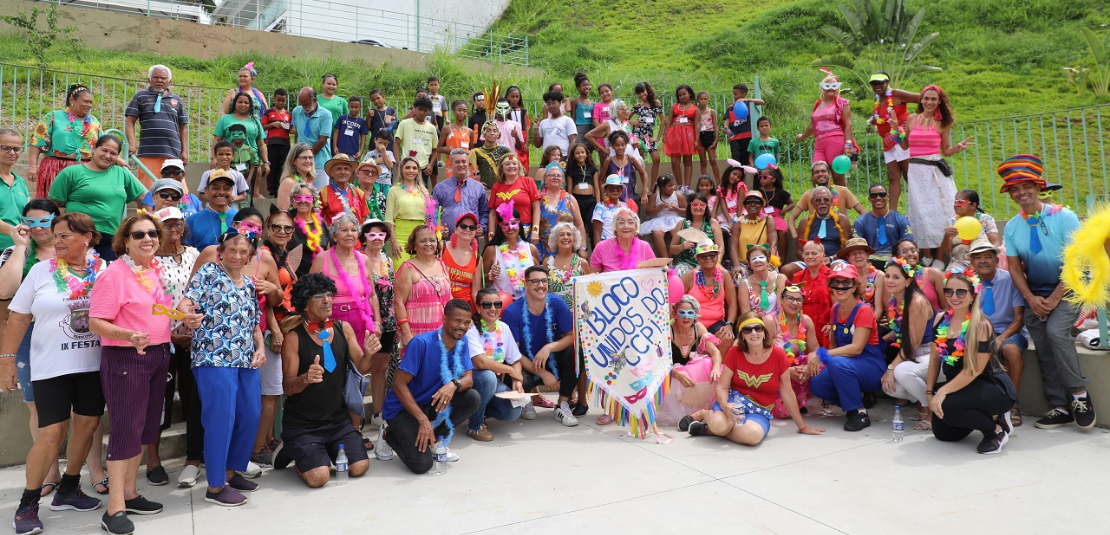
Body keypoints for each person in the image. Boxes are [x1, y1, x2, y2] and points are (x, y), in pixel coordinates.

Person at [89, 213, 197, 534]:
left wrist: (184, 318)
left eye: (152, 233)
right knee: (125, 431)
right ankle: (114, 509)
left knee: (144, 428)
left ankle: (131, 493)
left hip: (159, 354)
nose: (148, 239)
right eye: (139, 235)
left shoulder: (154, 270)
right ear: (124, 241)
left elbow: (157, 310)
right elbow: (97, 321)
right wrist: (128, 336)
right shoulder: (114, 274)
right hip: (126, 358)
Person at [3, 213, 108, 535]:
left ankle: (69, 488)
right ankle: (28, 503)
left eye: (64, 235)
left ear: (87, 237)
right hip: (51, 367)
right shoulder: (40, 271)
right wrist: (6, 359)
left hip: (93, 365)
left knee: (88, 425)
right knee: (51, 433)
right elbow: (18, 318)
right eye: (56, 235)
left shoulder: (105, 271)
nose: (56, 241)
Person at [1000, 154, 1094, 430]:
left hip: (1071, 287)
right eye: (1014, 189)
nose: (1020, 193)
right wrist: (1031, 298)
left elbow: (1077, 263)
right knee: (1041, 342)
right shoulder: (1014, 227)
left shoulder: (1065, 217)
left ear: (1038, 187)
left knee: (1056, 332)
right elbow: (1016, 269)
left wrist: (1053, 299)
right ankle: (1059, 406)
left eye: (1025, 186)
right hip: (1036, 294)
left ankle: (1079, 395)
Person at [179, 227, 265, 506]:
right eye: (232, 250)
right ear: (222, 252)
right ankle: (215, 486)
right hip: (213, 358)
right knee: (220, 419)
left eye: (243, 252)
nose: (237, 256)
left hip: (246, 358)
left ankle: (231, 470)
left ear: (250, 255)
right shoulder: (208, 273)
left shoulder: (249, 284)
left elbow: (254, 323)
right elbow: (186, 302)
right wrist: (187, 316)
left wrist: (261, 348)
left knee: (251, 414)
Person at [272, 274, 375, 486]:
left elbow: (362, 368)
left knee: (359, 467)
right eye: (319, 296)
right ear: (305, 304)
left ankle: (320, 451)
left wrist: (369, 354)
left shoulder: (343, 328)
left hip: (338, 421)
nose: (327, 300)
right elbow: (287, 388)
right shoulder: (293, 338)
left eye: (329, 294)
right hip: (304, 424)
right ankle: (293, 448)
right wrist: (305, 379)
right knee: (319, 478)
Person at [683, 311, 823, 443]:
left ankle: (709, 431)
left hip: (760, 409)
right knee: (719, 424)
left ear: (764, 332)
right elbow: (722, 386)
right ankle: (704, 414)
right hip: (733, 402)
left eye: (758, 328)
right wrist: (725, 406)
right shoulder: (735, 352)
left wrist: (802, 427)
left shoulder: (778, 355)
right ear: (742, 335)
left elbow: (787, 392)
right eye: (747, 330)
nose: (754, 333)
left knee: (752, 437)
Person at [377, 299, 479, 473]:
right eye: (457, 320)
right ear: (445, 319)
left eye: (466, 322)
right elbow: (399, 385)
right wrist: (423, 420)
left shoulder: (462, 343)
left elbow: (468, 379)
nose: (462, 326)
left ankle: (438, 439)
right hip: (404, 408)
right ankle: (389, 434)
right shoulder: (421, 343)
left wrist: (453, 384)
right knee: (422, 465)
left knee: (472, 398)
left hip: (432, 403)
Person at [926, 269, 1018, 454]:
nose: (954, 296)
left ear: (972, 295)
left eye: (961, 291)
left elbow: (973, 371)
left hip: (990, 385)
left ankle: (996, 431)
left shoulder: (980, 325)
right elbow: (935, 359)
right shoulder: (940, 319)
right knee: (943, 433)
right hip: (961, 386)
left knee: (947, 406)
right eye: (948, 291)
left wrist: (942, 391)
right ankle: (985, 416)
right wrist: (929, 392)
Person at [149, 206, 199, 486]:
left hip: (193, 340)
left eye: (177, 224)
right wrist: (170, 334)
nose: (173, 229)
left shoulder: (193, 254)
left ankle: (194, 455)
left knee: (194, 400)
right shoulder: (148, 259)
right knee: (158, 400)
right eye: (166, 225)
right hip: (161, 341)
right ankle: (153, 459)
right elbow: (148, 303)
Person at [806, 263, 886, 431]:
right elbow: (835, 344)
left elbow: (856, 348)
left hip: (870, 366)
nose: (840, 287)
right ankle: (859, 399)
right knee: (817, 384)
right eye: (836, 282)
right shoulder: (835, 309)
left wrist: (822, 354)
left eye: (845, 282)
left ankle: (860, 413)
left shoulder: (863, 310)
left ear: (854, 285)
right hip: (845, 364)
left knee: (837, 363)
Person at [900, 84, 973, 265]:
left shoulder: (943, 123)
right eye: (926, 98)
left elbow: (946, 151)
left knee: (942, 211)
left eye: (933, 99)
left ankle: (940, 256)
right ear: (921, 100)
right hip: (916, 171)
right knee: (921, 212)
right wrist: (896, 130)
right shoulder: (911, 119)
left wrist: (958, 147)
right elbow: (904, 146)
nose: (929, 102)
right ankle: (926, 255)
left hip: (935, 172)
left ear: (939, 101)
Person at [251, 210, 302, 465]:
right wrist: (276, 330)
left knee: (275, 390)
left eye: (288, 228)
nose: (283, 232)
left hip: (284, 327)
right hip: (271, 331)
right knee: (269, 392)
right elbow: (264, 301)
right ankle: (257, 447)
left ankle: (269, 438)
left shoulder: (283, 256)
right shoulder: (264, 255)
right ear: (267, 229)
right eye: (277, 227)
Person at [48, 135, 147, 262]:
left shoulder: (121, 173)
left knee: (108, 278)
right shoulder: (71, 172)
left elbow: (143, 198)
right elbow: (51, 205)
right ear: (94, 148)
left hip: (111, 240)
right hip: (77, 237)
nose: (107, 156)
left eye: (113, 153)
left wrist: (145, 222)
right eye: (104, 150)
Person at [502, 266, 580, 426]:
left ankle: (562, 404)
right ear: (526, 284)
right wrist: (543, 373)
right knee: (514, 368)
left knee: (575, 351)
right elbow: (513, 353)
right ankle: (526, 401)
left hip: (552, 361)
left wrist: (549, 348)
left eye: (544, 281)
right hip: (525, 365)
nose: (541, 285)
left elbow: (572, 336)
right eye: (535, 281)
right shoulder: (512, 312)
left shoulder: (557, 303)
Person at [968, 237, 1028, 428]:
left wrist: (1000, 339)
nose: (983, 261)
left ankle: (1013, 404)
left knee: (1011, 350)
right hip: (979, 332)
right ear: (971, 262)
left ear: (996, 259)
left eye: (987, 256)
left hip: (1008, 331)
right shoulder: (968, 282)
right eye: (977, 257)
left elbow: (1019, 318)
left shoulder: (1010, 279)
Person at [309, 213, 381, 366]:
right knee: (332, 365)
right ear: (334, 236)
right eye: (344, 230)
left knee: (360, 366)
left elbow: (372, 295)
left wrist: (377, 322)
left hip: (359, 319)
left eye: (354, 230)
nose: (350, 234)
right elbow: (309, 293)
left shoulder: (364, 259)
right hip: (331, 319)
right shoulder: (323, 258)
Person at [881, 257, 938, 428]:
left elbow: (912, 343)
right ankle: (923, 399)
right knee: (889, 387)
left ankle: (932, 410)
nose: (890, 281)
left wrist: (891, 368)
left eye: (896, 277)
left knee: (901, 372)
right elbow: (899, 331)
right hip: (913, 353)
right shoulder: (895, 300)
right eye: (887, 276)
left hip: (931, 353)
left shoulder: (916, 301)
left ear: (908, 281)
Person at [545, 221, 594, 416]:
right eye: (561, 235)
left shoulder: (582, 263)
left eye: (569, 235)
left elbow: (590, 292)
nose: (566, 238)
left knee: (580, 359)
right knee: (566, 360)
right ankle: (569, 397)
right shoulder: (547, 263)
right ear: (555, 240)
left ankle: (582, 400)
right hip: (556, 320)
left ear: (575, 239)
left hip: (579, 318)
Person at [464, 287, 525, 441]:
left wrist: (517, 380)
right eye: (487, 305)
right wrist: (511, 371)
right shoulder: (471, 329)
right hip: (470, 379)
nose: (493, 309)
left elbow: (516, 359)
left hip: (490, 382)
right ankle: (475, 426)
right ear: (478, 307)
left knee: (513, 411)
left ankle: (479, 410)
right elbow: (480, 362)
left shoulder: (503, 328)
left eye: (497, 304)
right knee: (488, 376)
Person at [28, 84, 102, 199]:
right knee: (53, 205)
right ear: (72, 100)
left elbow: (102, 145)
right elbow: (37, 141)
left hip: (85, 169)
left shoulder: (93, 121)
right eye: (86, 102)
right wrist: (32, 166)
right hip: (55, 167)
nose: (89, 105)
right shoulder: (54, 116)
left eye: (91, 102)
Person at [658, 296, 722, 427]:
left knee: (707, 363)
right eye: (682, 313)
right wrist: (676, 374)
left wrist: (716, 367)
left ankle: (702, 409)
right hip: (671, 373)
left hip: (691, 370)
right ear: (675, 314)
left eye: (690, 313)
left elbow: (715, 352)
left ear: (695, 315)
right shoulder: (667, 330)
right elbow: (657, 361)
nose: (686, 317)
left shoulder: (698, 328)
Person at [125, 65, 189, 186]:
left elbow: (183, 127)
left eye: (163, 78)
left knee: (176, 189)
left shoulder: (177, 100)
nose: (159, 80)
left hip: (172, 154)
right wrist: (132, 144)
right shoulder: (140, 96)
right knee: (148, 190)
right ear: (149, 80)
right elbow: (130, 121)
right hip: (148, 152)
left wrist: (184, 151)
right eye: (155, 77)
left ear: (169, 81)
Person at [866, 72, 920, 209]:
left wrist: (916, 121)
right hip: (887, 142)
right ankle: (893, 213)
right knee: (893, 176)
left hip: (901, 138)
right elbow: (880, 116)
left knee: (909, 175)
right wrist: (872, 122)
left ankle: (921, 207)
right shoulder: (877, 99)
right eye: (874, 83)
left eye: (880, 82)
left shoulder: (896, 94)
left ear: (887, 82)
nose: (877, 86)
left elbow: (922, 99)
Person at [361, 218, 396, 430]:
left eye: (381, 234)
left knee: (381, 367)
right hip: (367, 318)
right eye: (371, 234)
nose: (377, 239)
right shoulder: (358, 259)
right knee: (361, 365)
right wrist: (375, 319)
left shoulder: (388, 260)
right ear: (363, 237)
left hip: (389, 319)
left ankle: (378, 412)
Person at [796, 73, 857, 186]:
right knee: (817, 176)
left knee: (837, 177)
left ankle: (843, 203)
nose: (831, 88)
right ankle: (824, 202)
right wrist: (802, 137)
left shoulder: (841, 102)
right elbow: (812, 125)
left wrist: (848, 144)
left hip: (835, 140)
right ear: (822, 87)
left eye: (834, 86)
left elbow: (848, 124)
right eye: (827, 85)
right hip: (819, 143)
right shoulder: (818, 104)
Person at [681, 241, 738, 353]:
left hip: (716, 323)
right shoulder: (689, 276)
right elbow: (676, 301)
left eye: (712, 255)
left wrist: (730, 324)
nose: (708, 258)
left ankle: (719, 369)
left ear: (717, 256)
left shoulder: (724, 274)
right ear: (698, 259)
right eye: (704, 256)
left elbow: (732, 303)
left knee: (727, 338)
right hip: (692, 323)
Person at [772, 285, 820, 418]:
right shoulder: (771, 321)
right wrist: (786, 371)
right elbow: (761, 356)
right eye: (790, 298)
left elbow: (814, 350)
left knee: (822, 365)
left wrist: (808, 367)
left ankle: (799, 401)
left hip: (798, 369)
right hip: (775, 371)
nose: (794, 303)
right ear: (781, 299)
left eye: (799, 300)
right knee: (782, 413)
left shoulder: (806, 320)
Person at [786, 161, 864, 238]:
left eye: (823, 171)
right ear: (813, 177)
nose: (820, 174)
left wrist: (855, 229)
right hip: (816, 236)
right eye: (817, 172)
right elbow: (791, 217)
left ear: (829, 174)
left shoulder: (843, 191)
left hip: (840, 235)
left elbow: (863, 211)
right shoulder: (808, 195)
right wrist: (794, 235)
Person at [212, 92, 269, 192]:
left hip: (251, 164)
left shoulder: (255, 121)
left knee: (247, 194)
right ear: (234, 104)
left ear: (250, 105)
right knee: (228, 191)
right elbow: (217, 140)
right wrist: (214, 158)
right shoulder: (225, 119)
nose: (243, 104)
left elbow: (261, 144)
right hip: (229, 162)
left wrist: (266, 162)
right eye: (240, 102)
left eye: (246, 103)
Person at [484, 204, 540, 301]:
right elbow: (482, 281)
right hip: (500, 305)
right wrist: (491, 275)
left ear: (519, 224)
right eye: (505, 224)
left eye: (514, 223)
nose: (510, 228)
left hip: (527, 304)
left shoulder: (531, 249)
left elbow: (538, 278)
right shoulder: (491, 250)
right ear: (500, 227)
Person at [433, 149, 490, 239]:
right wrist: (439, 228)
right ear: (450, 164)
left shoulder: (478, 187)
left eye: (464, 161)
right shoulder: (440, 188)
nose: (461, 165)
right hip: (448, 241)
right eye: (457, 162)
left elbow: (484, 212)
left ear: (468, 164)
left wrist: (482, 227)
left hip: (471, 241)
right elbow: (433, 212)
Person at [852, 183, 913, 267]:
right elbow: (856, 246)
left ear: (888, 197)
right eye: (874, 196)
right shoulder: (860, 222)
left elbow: (908, 243)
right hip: (870, 261)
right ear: (869, 199)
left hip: (896, 260)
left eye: (882, 195)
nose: (878, 198)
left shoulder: (900, 220)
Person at [536, 163, 588, 259]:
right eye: (552, 175)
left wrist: (583, 247)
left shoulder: (570, 199)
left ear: (562, 181)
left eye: (559, 175)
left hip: (567, 247)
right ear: (545, 180)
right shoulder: (538, 198)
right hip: (544, 250)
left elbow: (579, 224)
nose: (556, 177)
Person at [940, 189, 1000, 270]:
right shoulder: (951, 222)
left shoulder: (985, 219)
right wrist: (947, 236)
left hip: (983, 263)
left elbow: (996, 244)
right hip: (958, 264)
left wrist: (983, 260)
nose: (956, 205)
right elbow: (946, 252)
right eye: (955, 202)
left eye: (961, 202)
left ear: (973, 205)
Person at [385, 157, 432, 262]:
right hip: (400, 234)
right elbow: (389, 219)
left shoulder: (424, 191)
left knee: (418, 272)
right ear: (401, 169)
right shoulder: (393, 191)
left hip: (420, 234)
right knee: (401, 271)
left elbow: (430, 217)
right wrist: (394, 242)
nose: (411, 171)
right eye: (408, 168)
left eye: (414, 168)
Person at [670, 192, 724, 276]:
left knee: (720, 273)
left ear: (706, 207)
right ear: (689, 206)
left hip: (709, 261)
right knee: (679, 271)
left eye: (702, 205)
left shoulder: (713, 223)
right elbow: (672, 249)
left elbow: (721, 246)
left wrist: (717, 262)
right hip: (687, 263)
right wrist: (681, 246)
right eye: (694, 205)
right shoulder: (682, 224)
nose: (698, 207)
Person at [185, 169, 239, 251]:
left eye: (226, 188)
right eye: (216, 188)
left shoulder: (239, 218)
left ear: (231, 191)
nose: (221, 192)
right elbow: (187, 254)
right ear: (206, 191)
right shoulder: (192, 221)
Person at [590, 206, 656, 273]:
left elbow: (654, 271)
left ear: (636, 227)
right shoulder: (601, 247)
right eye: (621, 223)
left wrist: (662, 269)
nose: (626, 226)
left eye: (631, 222)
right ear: (615, 227)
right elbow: (593, 276)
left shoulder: (645, 246)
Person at [291, 87, 333, 189]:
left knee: (319, 196)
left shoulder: (326, 115)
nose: (304, 107)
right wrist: (297, 154)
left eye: (306, 104)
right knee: (300, 194)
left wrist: (307, 157)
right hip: (300, 162)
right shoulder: (297, 111)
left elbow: (322, 140)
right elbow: (298, 134)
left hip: (320, 163)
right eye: (302, 104)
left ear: (314, 100)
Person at [792, 240, 832, 347]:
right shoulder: (798, 277)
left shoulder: (831, 275)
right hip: (802, 327)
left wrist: (832, 324)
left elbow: (838, 304)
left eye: (814, 253)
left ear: (823, 255)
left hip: (825, 328)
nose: (810, 256)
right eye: (806, 253)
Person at [890, 239, 948, 311]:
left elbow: (947, 307)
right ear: (896, 257)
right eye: (904, 251)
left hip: (936, 321)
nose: (910, 254)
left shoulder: (933, 273)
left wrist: (939, 321)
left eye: (913, 250)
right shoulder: (891, 280)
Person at [737, 244, 787, 328]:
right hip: (754, 325)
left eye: (761, 257)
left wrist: (771, 324)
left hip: (777, 323)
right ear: (750, 264)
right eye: (753, 259)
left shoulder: (780, 278)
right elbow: (746, 313)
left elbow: (781, 308)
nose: (757, 261)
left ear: (768, 261)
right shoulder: (744, 284)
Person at [794, 187, 850, 259]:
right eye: (818, 200)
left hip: (835, 260)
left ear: (831, 201)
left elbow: (847, 248)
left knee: (837, 268)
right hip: (810, 261)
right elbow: (799, 251)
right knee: (786, 269)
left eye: (826, 199)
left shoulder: (842, 219)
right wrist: (812, 260)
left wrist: (831, 259)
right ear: (812, 202)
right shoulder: (805, 221)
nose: (822, 202)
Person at [394, 96, 440, 185]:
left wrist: (430, 165)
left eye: (425, 110)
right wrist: (398, 162)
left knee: (421, 195)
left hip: (423, 168)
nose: (422, 112)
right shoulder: (404, 123)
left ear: (429, 111)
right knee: (404, 193)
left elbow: (435, 149)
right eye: (420, 109)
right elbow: (396, 143)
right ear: (414, 109)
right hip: (406, 166)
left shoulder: (432, 128)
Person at [442, 213, 482, 310]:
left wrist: (480, 314)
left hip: (465, 307)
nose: (468, 230)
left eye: (472, 227)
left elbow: (475, 292)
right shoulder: (441, 248)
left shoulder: (477, 258)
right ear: (455, 229)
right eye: (463, 226)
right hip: (442, 302)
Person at [640, 174, 686, 257]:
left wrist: (676, 209)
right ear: (662, 187)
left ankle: (671, 256)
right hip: (660, 220)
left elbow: (686, 211)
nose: (673, 187)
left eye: (673, 185)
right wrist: (659, 207)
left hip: (675, 219)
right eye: (669, 186)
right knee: (657, 234)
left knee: (676, 232)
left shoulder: (677, 195)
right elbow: (648, 212)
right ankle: (665, 258)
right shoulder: (655, 196)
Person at [0, 128, 30, 251]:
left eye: (16, 149)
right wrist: (14, 232)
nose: (12, 152)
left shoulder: (20, 182)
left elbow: (27, 213)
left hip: (16, 247)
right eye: (6, 148)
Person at [598, 130, 647, 206]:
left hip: (630, 199)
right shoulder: (609, 161)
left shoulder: (630, 159)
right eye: (617, 145)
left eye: (623, 145)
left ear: (626, 145)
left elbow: (644, 173)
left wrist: (644, 193)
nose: (620, 147)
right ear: (612, 146)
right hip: (612, 201)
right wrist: (603, 196)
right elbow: (600, 179)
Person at [731, 190, 777, 267]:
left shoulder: (768, 220)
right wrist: (736, 266)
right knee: (738, 276)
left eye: (757, 202)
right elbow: (733, 246)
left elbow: (773, 244)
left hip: (764, 263)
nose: (752, 204)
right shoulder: (738, 222)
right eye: (748, 202)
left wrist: (770, 264)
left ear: (762, 205)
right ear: (745, 206)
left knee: (772, 277)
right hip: (744, 264)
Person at [665, 84, 698, 190]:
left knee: (688, 160)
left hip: (688, 136)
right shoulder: (674, 107)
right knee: (675, 161)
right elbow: (669, 120)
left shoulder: (695, 108)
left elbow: (697, 125)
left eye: (684, 94)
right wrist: (665, 135)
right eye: (680, 95)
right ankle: (679, 186)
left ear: (690, 94)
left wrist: (697, 140)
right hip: (674, 135)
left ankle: (687, 187)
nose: (682, 97)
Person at [318, 154, 368, 224]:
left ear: (350, 173)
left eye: (346, 169)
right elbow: (317, 220)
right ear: (332, 173)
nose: (343, 172)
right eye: (339, 169)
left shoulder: (359, 193)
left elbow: (363, 220)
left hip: (355, 234)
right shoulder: (323, 193)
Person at [835, 237, 885, 307]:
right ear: (848, 258)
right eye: (853, 254)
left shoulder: (879, 276)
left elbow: (879, 309)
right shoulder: (845, 277)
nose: (857, 256)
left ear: (867, 255)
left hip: (874, 316)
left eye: (861, 252)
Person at [261, 88, 293, 197]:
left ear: (286, 101)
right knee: (273, 167)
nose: (281, 103)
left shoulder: (288, 114)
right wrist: (272, 125)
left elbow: (292, 129)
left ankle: (281, 189)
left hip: (285, 144)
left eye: (283, 101)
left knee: (283, 167)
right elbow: (262, 126)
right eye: (278, 100)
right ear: (274, 98)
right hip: (272, 143)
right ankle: (272, 190)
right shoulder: (269, 112)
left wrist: (286, 125)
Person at [631, 81, 665, 181]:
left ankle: (652, 186)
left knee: (656, 159)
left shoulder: (656, 103)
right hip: (637, 136)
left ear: (648, 90)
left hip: (648, 137)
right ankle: (643, 189)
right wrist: (632, 122)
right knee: (641, 161)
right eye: (639, 93)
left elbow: (663, 120)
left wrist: (658, 138)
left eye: (643, 92)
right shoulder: (637, 106)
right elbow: (624, 119)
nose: (641, 95)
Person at [290, 183, 330, 267]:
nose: (303, 201)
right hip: (298, 276)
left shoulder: (322, 222)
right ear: (291, 201)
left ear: (314, 201)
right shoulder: (288, 223)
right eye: (298, 197)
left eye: (308, 198)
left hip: (322, 275)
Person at [725, 83, 764, 166]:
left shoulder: (749, 104)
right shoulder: (731, 107)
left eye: (736, 94)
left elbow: (761, 102)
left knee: (746, 160)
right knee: (736, 160)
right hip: (734, 138)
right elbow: (727, 120)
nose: (734, 96)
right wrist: (726, 128)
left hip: (747, 137)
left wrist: (748, 100)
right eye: (733, 94)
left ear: (743, 94)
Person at [198, 141, 247, 206]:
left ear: (233, 156)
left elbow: (243, 195)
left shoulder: (238, 175)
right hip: (212, 212)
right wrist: (216, 197)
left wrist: (234, 198)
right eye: (220, 154)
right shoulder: (207, 174)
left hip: (231, 212)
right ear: (215, 156)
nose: (224, 157)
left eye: (228, 154)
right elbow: (201, 195)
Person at [534, 90, 578, 159]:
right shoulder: (543, 123)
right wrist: (536, 128)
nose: (551, 106)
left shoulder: (568, 120)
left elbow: (573, 140)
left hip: (563, 157)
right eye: (548, 104)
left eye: (554, 103)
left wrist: (569, 158)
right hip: (547, 158)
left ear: (560, 103)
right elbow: (537, 144)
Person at [361, 131, 395, 219]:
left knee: (386, 201)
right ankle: (372, 214)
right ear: (375, 140)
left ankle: (384, 218)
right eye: (380, 143)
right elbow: (364, 165)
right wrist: (376, 161)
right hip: (375, 182)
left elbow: (390, 166)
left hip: (386, 182)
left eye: (385, 144)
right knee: (374, 199)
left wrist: (384, 153)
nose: (382, 146)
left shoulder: (389, 153)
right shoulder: (370, 154)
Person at [274, 142, 317, 212]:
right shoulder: (288, 182)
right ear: (294, 161)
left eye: (310, 157)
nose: (308, 161)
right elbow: (282, 213)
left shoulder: (308, 181)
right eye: (304, 158)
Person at [436, 100, 471, 180]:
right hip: (452, 164)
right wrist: (454, 152)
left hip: (465, 165)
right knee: (452, 188)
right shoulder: (447, 129)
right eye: (459, 110)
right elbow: (439, 148)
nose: (462, 113)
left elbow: (471, 150)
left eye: (464, 111)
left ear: (467, 113)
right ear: (454, 111)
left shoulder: (469, 131)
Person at [694, 91, 721, 179]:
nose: (703, 101)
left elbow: (716, 126)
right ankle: (705, 181)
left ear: (708, 100)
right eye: (701, 99)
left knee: (713, 160)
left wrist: (716, 139)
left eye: (705, 99)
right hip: (699, 136)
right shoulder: (695, 112)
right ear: (697, 100)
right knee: (703, 160)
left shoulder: (711, 112)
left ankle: (718, 182)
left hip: (709, 136)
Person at [332, 95, 367, 161]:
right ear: (348, 106)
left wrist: (361, 151)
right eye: (352, 107)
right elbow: (336, 132)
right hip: (340, 150)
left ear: (360, 107)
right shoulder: (342, 118)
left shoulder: (361, 121)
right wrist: (335, 146)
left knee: (352, 169)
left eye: (356, 107)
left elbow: (363, 136)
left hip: (353, 152)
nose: (354, 109)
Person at [505, 86, 531, 173]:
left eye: (517, 96)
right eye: (512, 96)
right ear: (508, 97)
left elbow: (527, 127)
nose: (515, 99)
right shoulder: (505, 111)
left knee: (523, 160)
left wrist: (527, 142)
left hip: (522, 137)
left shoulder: (523, 111)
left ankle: (524, 177)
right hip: (510, 136)